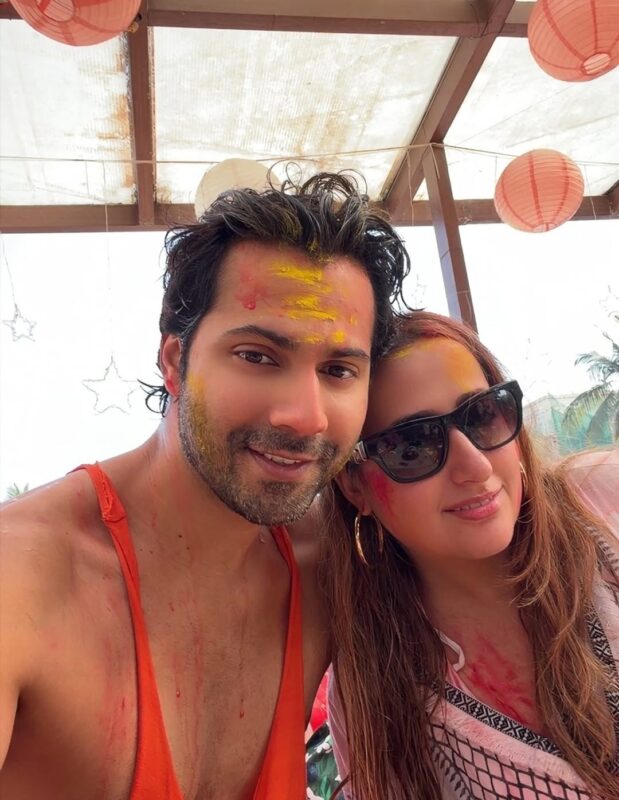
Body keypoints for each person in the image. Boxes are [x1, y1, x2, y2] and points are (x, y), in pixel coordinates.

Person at [0, 172, 411, 800]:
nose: (305, 417)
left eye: (338, 370)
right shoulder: (25, 580)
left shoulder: (329, 569)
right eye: (257, 356)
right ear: (174, 361)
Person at [325, 311, 619, 800]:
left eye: (483, 415)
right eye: (413, 446)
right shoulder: (372, 689)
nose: (475, 466)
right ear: (355, 486)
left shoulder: (604, 500)